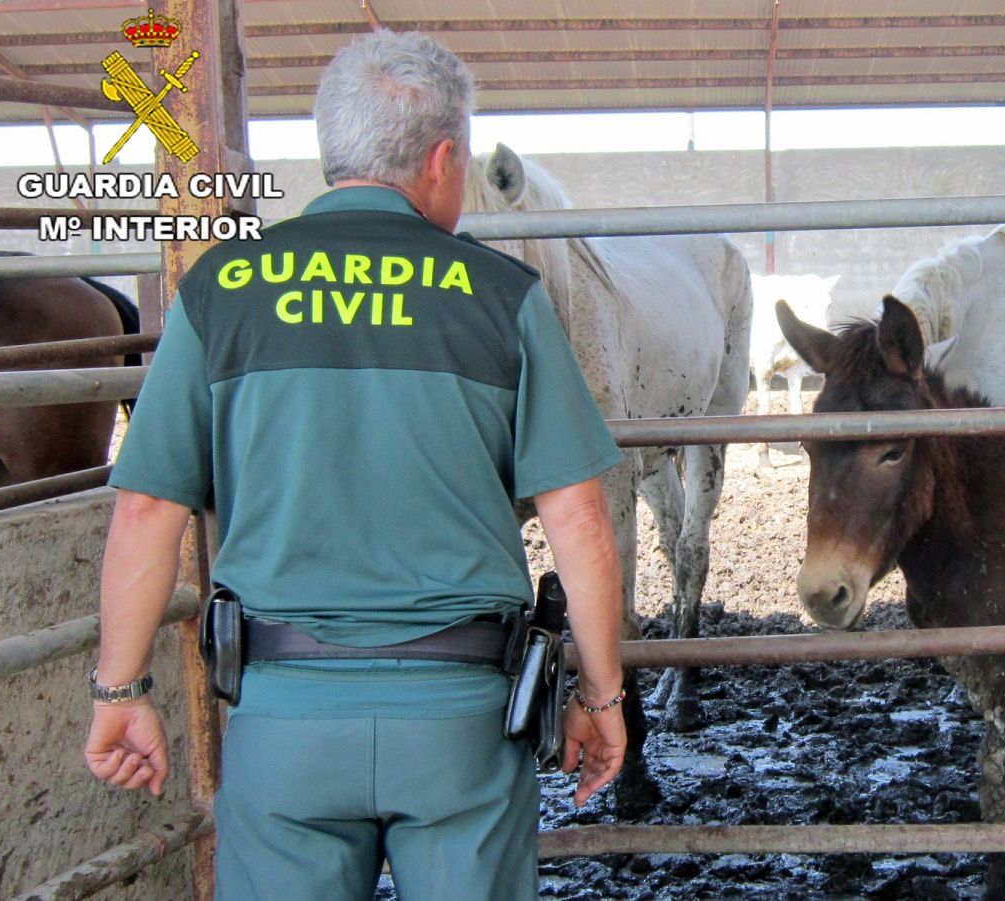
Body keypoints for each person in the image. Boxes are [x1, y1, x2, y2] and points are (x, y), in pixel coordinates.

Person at [82, 30, 627, 901]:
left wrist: (121, 684)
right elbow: (580, 519)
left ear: (333, 154)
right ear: (445, 160)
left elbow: (148, 509)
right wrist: (601, 696)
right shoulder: (502, 297)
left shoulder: (220, 291)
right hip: (460, 727)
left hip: (284, 720)